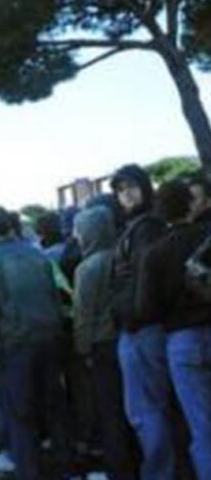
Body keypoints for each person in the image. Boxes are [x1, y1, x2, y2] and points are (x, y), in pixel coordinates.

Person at [0, 206, 72, 480]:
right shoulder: (37, 255)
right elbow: (55, 298)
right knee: (55, 412)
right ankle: (66, 470)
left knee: (20, 417)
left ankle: (31, 472)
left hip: (14, 349)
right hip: (49, 341)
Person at [138, 180, 211, 480]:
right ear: (191, 204)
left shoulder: (155, 253)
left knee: (202, 425)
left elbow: (146, 309)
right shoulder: (206, 237)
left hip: (182, 340)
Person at [109, 164, 176, 480]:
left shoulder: (146, 228)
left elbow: (147, 279)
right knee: (149, 410)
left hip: (141, 331)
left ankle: (158, 473)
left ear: (145, 187)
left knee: (145, 412)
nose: (126, 194)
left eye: (131, 187)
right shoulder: (139, 226)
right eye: (120, 190)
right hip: (141, 328)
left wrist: (134, 317)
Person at [72, 205, 140, 480]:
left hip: (100, 346)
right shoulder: (122, 255)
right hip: (128, 339)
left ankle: (118, 469)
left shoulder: (86, 268)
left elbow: (83, 316)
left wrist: (82, 349)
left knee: (109, 410)